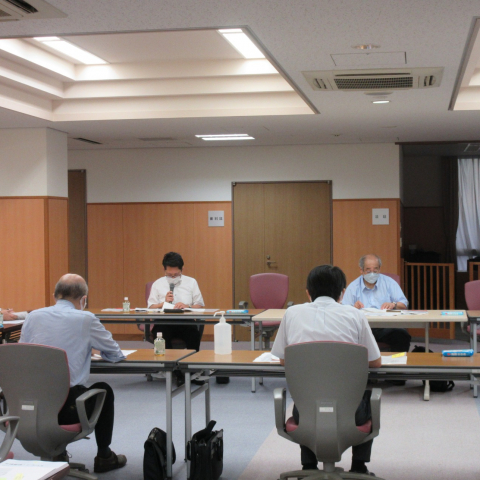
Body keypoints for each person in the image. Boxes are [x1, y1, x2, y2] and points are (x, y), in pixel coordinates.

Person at [272, 265, 381, 476]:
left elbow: (284, 360)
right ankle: (359, 467)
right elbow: (375, 362)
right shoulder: (355, 315)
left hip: (305, 414)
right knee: (367, 398)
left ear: (308, 292)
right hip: (352, 413)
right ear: (342, 292)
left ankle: (308, 467)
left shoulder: (292, 314)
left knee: (307, 398)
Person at [19, 274, 127, 473]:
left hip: (28, 407)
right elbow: (115, 353)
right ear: (83, 299)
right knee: (104, 390)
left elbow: (22, 353)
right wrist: (88, 348)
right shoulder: (86, 319)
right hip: (67, 410)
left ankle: (58, 452)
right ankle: (104, 456)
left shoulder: (33, 316)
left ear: (55, 296)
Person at [342, 254, 411, 353]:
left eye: (375, 271)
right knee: (346, 336)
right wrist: (353, 308)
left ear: (379, 269)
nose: (372, 274)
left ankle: (397, 361)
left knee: (402, 335)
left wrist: (393, 304)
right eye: (368, 271)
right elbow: (344, 311)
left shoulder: (389, 283)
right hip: (363, 328)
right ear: (361, 270)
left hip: (386, 327)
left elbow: (404, 304)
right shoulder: (353, 287)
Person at [148, 252, 205, 351]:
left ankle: (192, 360)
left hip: (186, 322)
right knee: (160, 335)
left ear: (182, 269)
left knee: (194, 335)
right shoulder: (157, 284)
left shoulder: (191, 282)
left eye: (176, 274)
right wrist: (163, 303)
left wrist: (187, 307)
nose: (173, 277)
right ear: (164, 270)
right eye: (169, 275)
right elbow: (150, 307)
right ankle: (167, 360)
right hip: (164, 322)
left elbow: (199, 305)